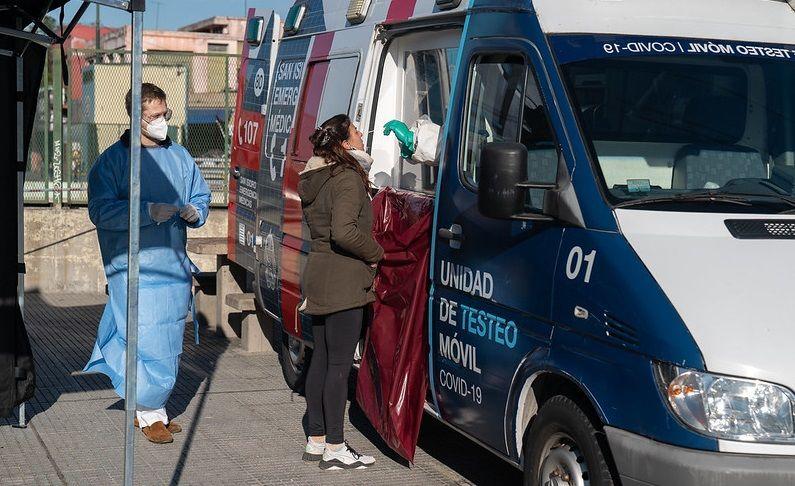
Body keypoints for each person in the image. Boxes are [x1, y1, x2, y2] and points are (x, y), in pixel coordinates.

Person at [83, 83, 211, 444]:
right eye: (154, 117)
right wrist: (145, 212)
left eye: (164, 115)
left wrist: (195, 210)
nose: (162, 122)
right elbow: (101, 209)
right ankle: (147, 411)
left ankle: (156, 408)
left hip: (171, 265)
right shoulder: (113, 161)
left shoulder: (180, 157)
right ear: (136, 117)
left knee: (168, 337)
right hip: (135, 267)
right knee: (142, 337)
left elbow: (201, 193)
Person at [298, 114, 383, 470]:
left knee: (320, 359)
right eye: (357, 131)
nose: (363, 134)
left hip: (318, 274)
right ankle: (335, 445)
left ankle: (316, 440)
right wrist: (378, 253)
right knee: (337, 366)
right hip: (344, 280)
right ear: (345, 144)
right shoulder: (347, 177)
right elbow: (344, 232)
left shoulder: (317, 177)